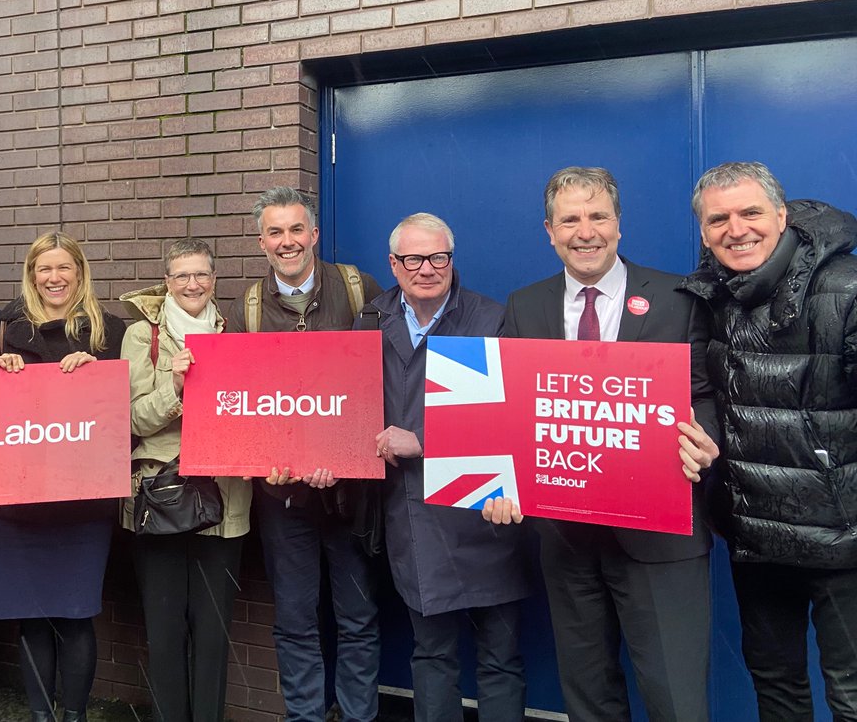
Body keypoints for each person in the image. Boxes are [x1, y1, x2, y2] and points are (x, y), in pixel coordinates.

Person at [484, 167, 719, 722]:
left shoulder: (678, 298)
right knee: (587, 699)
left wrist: (707, 442)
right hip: (567, 541)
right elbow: (508, 413)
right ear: (549, 230)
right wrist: (500, 483)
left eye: (598, 217)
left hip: (662, 540)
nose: (584, 231)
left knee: (677, 701)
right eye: (570, 219)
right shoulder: (525, 305)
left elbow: (705, 394)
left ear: (619, 225)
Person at [679, 161, 857, 721]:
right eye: (718, 219)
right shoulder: (709, 296)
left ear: (782, 216)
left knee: (852, 692)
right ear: (704, 233)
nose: (737, 229)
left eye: (750, 213)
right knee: (776, 686)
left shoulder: (846, 288)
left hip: (843, 537)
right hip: (755, 534)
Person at [226, 186, 383, 722]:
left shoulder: (360, 289)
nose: (287, 241)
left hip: (352, 491)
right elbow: (242, 401)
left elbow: (385, 379)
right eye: (275, 232)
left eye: (297, 230)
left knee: (358, 616)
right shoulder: (246, 306)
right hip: (281, 493)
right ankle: (305, 716)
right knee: (295, 619)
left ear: (314, 234)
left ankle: (360, 715)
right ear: (261, 241)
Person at [364, 213, 529, 722]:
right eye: (414, 259)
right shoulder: (368, 321)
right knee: (432, 655)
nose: (428, 269)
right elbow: (350, 406)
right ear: (394, 265)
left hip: (486, 513)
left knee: (501, 660)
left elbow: (513, 418)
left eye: (439, 257)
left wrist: (424, 441)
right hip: (413, 517)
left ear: (452, 261)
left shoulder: (492, 318)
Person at [0, 232, 127, 722]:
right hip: (17, 503)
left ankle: (75, 715)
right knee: (32, 616)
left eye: (64, 267)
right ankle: (42, 716)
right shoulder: (5, 327)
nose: (54, 278)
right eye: (44, 269)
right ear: (31, 274)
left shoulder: (109, 330)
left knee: (75, 613)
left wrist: (99, 369)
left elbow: (126, 410)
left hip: (82, 502)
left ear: (80, 272)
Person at [119, 237, 252, 722]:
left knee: (214, 634)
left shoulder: (236, 330)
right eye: (182, 275)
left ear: (214, 280)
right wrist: (175, 389)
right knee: (165, 629)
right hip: (161, 497)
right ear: (167, 281)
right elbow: (132, 418)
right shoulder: (141, 335)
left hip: (225, 497)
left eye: (201, 275)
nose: (192, 284)